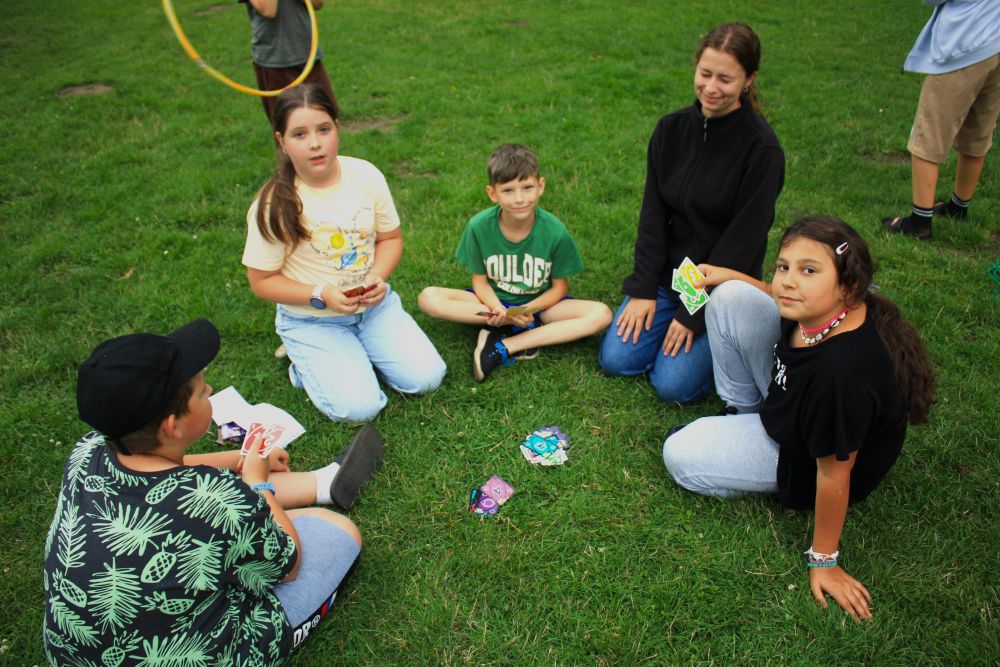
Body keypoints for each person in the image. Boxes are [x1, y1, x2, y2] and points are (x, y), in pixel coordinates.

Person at [42, 319, 385, 665]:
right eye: (202, 392)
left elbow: (172, 472)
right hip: (201, 655)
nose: (209, 390)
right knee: (338, 530)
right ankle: (319, 491)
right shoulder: (216, 499)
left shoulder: (88, 451)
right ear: (173, 426)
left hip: (75, 654)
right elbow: (289, 563)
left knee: (239, 516)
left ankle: (322, 483)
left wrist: (236, 459)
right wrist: (257, 482)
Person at [663, 216, 935, 621]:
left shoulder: (841, 378)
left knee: (679, 453)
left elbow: (834, 473)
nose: (788, 281)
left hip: (806, 460)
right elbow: (772, 295)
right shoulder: (823, 310)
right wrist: (730, 276)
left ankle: (746, 447)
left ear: (849, 286)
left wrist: (824, 560)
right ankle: (741, 413)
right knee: (731, 296)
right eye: (783, 266)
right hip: (792, 404)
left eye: (809, 271)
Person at [599, 22, 785, 404]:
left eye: (725, 79)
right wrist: (643, 289)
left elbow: (743, 242)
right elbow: (652, 215)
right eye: (705, 73)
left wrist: (690, 315)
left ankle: (720, 340)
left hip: (718, 289)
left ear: (749, 79)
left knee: (673, 386)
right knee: (615, 360)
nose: (711, 87)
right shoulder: (669, 130)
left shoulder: (762, 150)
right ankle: (667, 333)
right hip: (669, 277)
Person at [243, 84, 446, 423]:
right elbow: (261, 281)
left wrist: (377, 277)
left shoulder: (365, 175)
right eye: (299, 134)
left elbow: (391, 239)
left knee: (427, 378)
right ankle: (304, 362)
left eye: (324, 129)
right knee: (358, 409)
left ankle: (353, 355)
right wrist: (320, 294)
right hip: (313, 320)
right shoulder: (273, 204)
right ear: (282, 141)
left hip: (374, 309)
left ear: (337, 128)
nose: (315, 143)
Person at [417, 144, 613, 382]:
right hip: (490, 304)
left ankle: (506, 345)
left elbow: (560, 288)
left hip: (540, 307)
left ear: (540, 186)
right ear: (493, 193)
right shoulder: (478, 227)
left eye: (527, 187)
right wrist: (497, 308)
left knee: (601, 314)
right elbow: (480, 281)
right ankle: (505, 323)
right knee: (428, 298)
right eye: (508, 190)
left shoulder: (555, 231)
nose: (519, 199)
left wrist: (528, 310)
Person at [882, 0, 1000, 240]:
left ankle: (919, 223)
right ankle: (958, 207)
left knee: (928, 136)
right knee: (978, 132)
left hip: (965, 47)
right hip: (996, 44)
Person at [241, 0, 339, 126]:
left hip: (307, 54)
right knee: (289, 124)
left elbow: (317, 4)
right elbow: (269, 10)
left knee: (327, 118)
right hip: (275, 60)